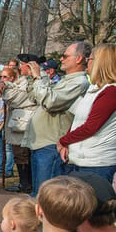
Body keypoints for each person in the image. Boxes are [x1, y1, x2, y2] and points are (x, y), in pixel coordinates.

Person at [57, 43, 116, 183]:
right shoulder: (95, 88)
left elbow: (91, 126)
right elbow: (78, 120)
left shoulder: (113, 91)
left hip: (98, 162)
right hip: (82, 158)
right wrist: (67, 142)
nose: (87, 63)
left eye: (90, 59)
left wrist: (63, 141)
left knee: (94, 203)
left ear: (101, 63)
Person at [26, 42, 91, 196]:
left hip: (52, 144)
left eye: (66, 56)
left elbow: (50, 101)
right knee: (39, 194)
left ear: (78, 59)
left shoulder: (79, 83)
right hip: (42, 144)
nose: (61, 59)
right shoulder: (65, 80)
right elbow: (35, 98)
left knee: (47, 195)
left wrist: (37, 78)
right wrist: (33, 78)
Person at [0, 58, 38, 193]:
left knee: (23, 154)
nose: (2, 79)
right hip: (17, 122)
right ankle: (24, 182)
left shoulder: (28, 82)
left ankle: (26, 184)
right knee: (19, 154)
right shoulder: (20, 83)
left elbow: (14, 98)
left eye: (5, 77)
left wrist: (6, 90)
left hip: (23, 123)